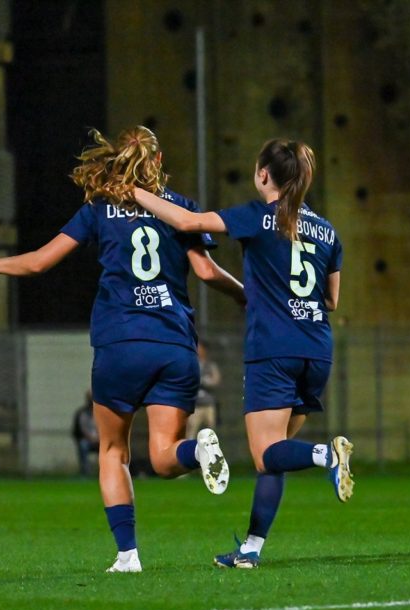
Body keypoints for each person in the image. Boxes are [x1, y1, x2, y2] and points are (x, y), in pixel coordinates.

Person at [0, 126, 246, 572]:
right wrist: (245, 295)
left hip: (121, 344)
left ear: (118, 160)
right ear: (158, 161)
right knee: (163, 457)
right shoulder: (181, 208)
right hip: (175, 344)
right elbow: (207, 272)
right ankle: (198, 452)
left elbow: (41, 262)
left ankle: (128, 555)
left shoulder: (99, 209)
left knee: (113, 450)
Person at [131, 138, 354, 570]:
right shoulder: (328, 231)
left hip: (274, 348)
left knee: (266, 454)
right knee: (275, 455)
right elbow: (331, 300)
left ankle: (327, 455)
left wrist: (134, 192)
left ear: (263, 174)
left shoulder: (257, 217)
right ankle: (251, 549)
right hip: (317, 349)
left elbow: (188, 221)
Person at [185, 342, 221, 440]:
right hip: (195, 406)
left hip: (209, 404)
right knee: (191, 432)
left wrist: (206, 381)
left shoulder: (210, 365)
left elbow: (216, 380)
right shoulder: (191, 365)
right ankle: (191, 449)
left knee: (211, 432)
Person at [71, 390, 99, 476]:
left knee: (107, 447)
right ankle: (86, 472)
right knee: (83, 445)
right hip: (87, 440)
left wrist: (99, 438)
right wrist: (90, 438)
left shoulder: (100, 412)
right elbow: (80, 429)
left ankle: (103, 471)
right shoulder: (82, 413)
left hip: (99, 440)